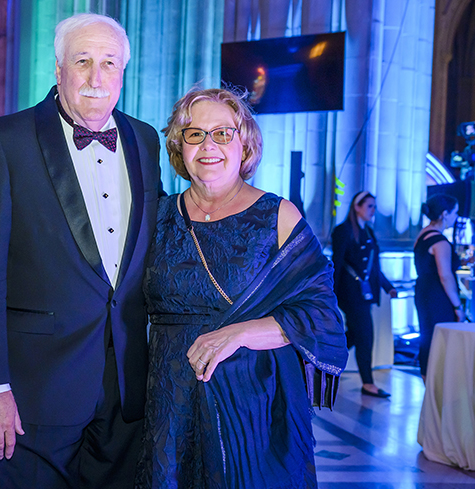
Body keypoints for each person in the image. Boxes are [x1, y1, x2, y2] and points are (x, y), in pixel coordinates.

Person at [0, 13, 162, 488]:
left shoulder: (143, 139)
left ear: (123, 72)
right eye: (83, 61)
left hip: (126, 390)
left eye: (109, 63)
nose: (96, 77)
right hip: (35, 393)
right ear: (58, 69)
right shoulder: (4, 140)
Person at [135, 88, 347, 488]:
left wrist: (242, 331)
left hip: (253, 412)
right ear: (179, 146)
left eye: (223, 133)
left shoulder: (278, 216)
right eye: (194, 134)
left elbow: (323, 317)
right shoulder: (157, 216)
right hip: (170, 405)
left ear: (245, 143)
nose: (208, 145)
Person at [332, 191, 397, 398]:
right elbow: (337, 263)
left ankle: (323, 362)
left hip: (364, 294)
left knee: (354, 335)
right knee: (365, 336)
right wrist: (329, 295)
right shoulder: (343, 231)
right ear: (357, 207)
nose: (373, 211)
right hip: (350, 293)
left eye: (374, 206)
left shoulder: (368, 232)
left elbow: (374, 267)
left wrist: (388, 287)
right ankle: (368, 384)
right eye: (370, 206)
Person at [414, 194, 462, 380]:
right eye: (455, 213)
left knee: (427, 337)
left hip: (423, 291)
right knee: (440, 338)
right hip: (437, 296)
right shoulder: (440, 241)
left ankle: (429, 382)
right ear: (444, 214)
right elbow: (445, 275)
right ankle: (438, 385)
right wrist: (457, 306)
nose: (456, 217)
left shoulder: (423, 234)